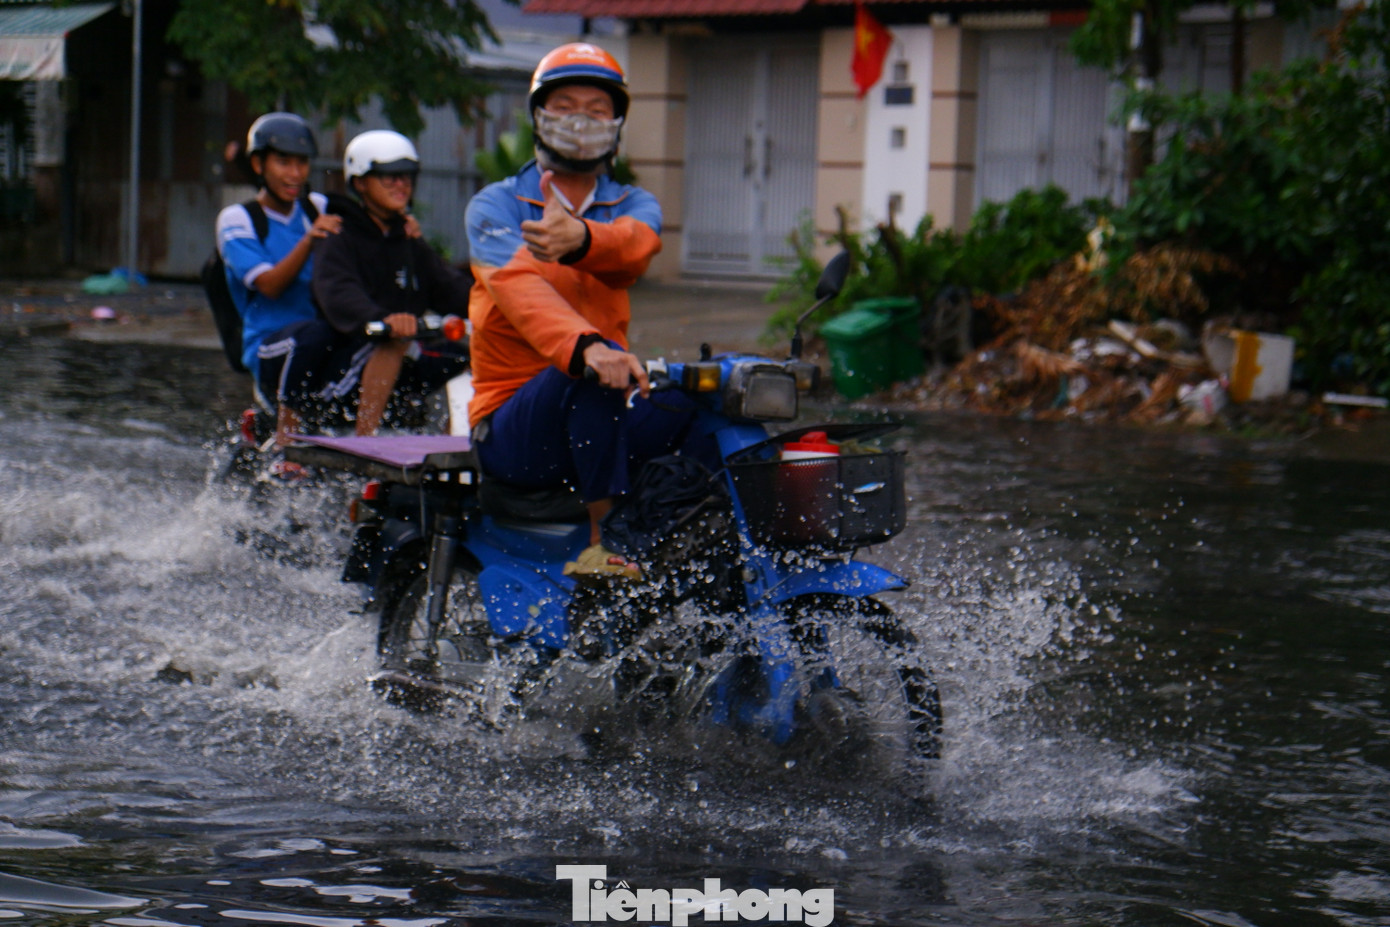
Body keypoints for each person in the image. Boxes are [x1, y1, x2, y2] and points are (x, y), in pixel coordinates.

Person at [464, 42, 699, 579]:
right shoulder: (496, 206)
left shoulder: (632, 203)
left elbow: (636, 246)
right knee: (593, 369)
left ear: (616, 124)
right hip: (512, 424)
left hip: (601, 408)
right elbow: (520, 287)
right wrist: (587, 346)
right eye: (565, 105)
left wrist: (579, 238)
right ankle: (605, 541)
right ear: (538, 117)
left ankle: (693, 544)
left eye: (597, 110)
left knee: (703, 399)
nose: (581, 121)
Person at [294, 129, 471, 437]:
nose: (400, 185)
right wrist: (382, 320)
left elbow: (449, 289)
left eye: (406, 176)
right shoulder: (338, 235)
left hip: (404, 355)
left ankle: (458, 449)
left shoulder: (409, 239)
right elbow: (337, 292)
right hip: (346, 361)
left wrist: (496, 305)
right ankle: (366, 442)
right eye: (389, 177)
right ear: (360, 183)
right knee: (393, 343)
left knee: (473, 351)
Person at [215, 112, 342, 453]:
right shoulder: (238, 220)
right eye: (283, 162)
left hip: (322, 344)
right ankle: (285, 443)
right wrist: (308, 241)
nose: (295, 174)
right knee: (312, 334)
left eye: (302, 163)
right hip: (271, 348)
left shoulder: (317, 207)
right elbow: (269, 285)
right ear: (258, 165)